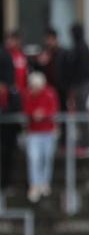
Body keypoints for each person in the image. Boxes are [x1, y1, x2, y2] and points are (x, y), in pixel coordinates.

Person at [23, 72, 59, 203]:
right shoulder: (28, 94)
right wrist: (34, 114)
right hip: (33, 132)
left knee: (47, 157)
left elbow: (54, 109)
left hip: (48, 132)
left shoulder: (49, 93)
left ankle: (45, 183)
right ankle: (34, 185)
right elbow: (26, 110)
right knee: (34, 158)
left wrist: (43, 114)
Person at [61, 23, 89, 157]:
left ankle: (86, 143)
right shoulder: (81, 47)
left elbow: (80, 69)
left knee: (82, 113)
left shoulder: (81, 48)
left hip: (81, 85)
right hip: (81, 84)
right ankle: (84, 142)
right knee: (80, 113)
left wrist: (73, 83)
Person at [0, 45, 22, 193]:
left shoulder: (13, 94)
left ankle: (6, 184)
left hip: (8, 135)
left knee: (8, 159)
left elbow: (15, 110)